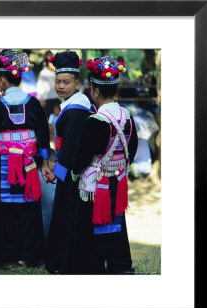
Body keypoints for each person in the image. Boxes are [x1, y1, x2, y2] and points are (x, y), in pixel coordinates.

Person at [71, 55, 138, 274]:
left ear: (95, 91)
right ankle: (120, 266)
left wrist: (74, 171)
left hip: (94, 186)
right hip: (117, 182)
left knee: (91, 228)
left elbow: (82, 154)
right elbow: (133, 149)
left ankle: (93, 268)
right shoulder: (128, 117)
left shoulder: (96, 121)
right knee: (116, 226)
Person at [0, 49, 51, 268]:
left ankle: (6, 254)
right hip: (29, 163)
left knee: (5, 207)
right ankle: (28, 254)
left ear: (2, 80)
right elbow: (43, 134)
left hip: (6, 163)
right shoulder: (33, 104)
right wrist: (44, 160)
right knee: (28, 206)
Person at [44, 50, 94, 274]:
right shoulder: (74, 104)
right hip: (69, 168)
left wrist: (57, 172)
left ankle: (66, 263)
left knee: (68, 216)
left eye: (66, 82)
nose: (61, 86)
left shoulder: (76, 110)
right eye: (57, 81)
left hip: (73, 173)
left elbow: (72, 148)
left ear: (77, 82)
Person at [36, 50, 59, 118]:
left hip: (56, 98)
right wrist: (41, 99)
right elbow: (39, 86)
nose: (53, 65)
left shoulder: (56, 72)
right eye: (51, 63)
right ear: (47, 63)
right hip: (47, 100)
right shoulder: (43, 73)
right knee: (48, 118)